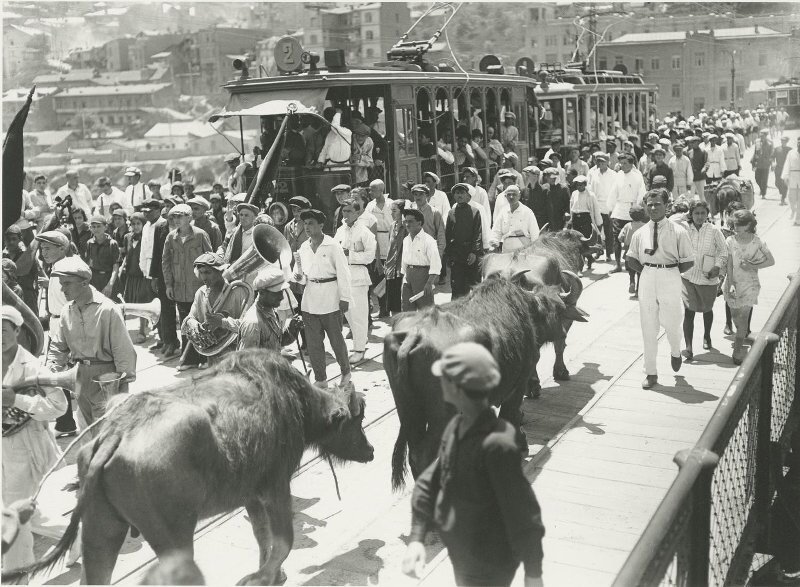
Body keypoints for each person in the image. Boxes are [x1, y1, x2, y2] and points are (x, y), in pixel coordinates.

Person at [402, 341, 545, 587]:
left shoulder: (497, 444)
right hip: (464, 556)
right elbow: (430, 482)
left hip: (490, 564)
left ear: (459, 388)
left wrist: (533, 573)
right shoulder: (456, 429)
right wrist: (417, 536)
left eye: (445, 378)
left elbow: (523, 510)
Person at [2, 305, 67, 570]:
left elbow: (58, 407)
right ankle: (73, 538)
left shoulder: (34, 366)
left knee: (16, 514)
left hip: (24, 448)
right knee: (23, 513)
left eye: (4, 331)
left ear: (17, 331)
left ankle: (17, 573)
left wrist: (16, 399)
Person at [47, 257, 137, 428]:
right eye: (61, 283)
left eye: (67, 283)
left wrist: (122, 387)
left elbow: (123, 350)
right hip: (79, 379)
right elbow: (58, 347)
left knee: (107, 433)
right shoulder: (66, 310)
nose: (62, 288)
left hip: (106, 378)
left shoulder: (108, 309)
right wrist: (50, 373)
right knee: (89, 433)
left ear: (84, 282)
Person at [625, 189, 695, 389]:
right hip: (647, 277)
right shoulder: (640, 233)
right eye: (650, 204)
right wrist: (648, 271)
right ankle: (651, 372)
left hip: (670, 276)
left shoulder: (678, 231)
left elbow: (688, 262)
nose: (653, 207)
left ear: (667, 206)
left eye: (657, 204)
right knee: (648, 326)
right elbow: (631, 259)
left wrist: (668, 271)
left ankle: (675, 350)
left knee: (672, 323)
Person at [293, 209, 352, 389]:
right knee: (313, 344)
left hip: (331, 298)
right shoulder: (303, 247)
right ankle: (321, 378)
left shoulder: (332, 246)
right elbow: (303, 276)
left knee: (336, 340)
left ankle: (345, 372)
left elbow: (344, 273)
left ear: (321, 225)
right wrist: (299, 277)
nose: (307, 227)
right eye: (305, 224)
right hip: (310, 300)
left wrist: (345, 298)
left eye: (311, 223)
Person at [162, 203, 212, 370]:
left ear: (190, 218)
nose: (176, 220)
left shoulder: (200, 235)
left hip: (199, 288)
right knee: (186, 323)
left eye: (180, 216)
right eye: (174, 216)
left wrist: (210, 283)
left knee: (202, 322)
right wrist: (168, 284)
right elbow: (166, 263)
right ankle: (189, 359)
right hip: (180, 289)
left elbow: (210, 260)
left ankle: (204, 358)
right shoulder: (171, 237)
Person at [723, 210, 775, 365]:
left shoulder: (757, 241)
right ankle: (741, 338)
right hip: (733, 284)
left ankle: (737, 350)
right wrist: (731, 283)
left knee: (743, 317)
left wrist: (753, 265)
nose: (736, 227)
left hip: (750, 284)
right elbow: (730, 264)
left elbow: (771, 261)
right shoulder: (730, 241)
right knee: (735, 318)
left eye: (740, 224)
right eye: (735, 224)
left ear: (749, 225)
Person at [181, 253, 248, 369]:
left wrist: (223, 322)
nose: (204, 277)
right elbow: (190, 317)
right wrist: (192, 323)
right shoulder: (200, 293)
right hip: (213, 358)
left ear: (220, 271)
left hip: (237, 357)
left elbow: (249, 328)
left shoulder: (239, 292)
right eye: (201, 273)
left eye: (207, 272)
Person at [680, 200, 727, 361]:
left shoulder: (714, 230)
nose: (699, 217)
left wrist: (717, 267)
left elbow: (723, 252)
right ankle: (688, 347)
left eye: (702, 213)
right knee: (688, 311)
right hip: (688, 277)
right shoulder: (685, 230)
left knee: (707, 309)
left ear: (707, 214)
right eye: (696, 213)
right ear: (691, 214)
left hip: (708, 278)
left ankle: (707, 336)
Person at [334, 199, 376, 365]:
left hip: (358, 275)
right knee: (347, 313)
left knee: (358, 314)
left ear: (358, 213)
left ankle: (359, 350)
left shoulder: (365, 232)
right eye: (344, 211)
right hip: (343, 276)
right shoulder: (340, 231)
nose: (346, 214)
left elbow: (369, 256)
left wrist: (349, 254)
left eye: (350, 211)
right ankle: (361, 339)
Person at [139, 199, 178, 358]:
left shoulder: (179, 225)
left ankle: (179, 342)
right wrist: (153, 274)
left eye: (150, 210)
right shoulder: (156, 227)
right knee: (164, 308)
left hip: (179, 271)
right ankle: (167, 340)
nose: (147, 213)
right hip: (161, 271)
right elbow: (155, 253)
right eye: (145, 211)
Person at [237, 266, 302, 353]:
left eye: (282, 292)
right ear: (262, 293)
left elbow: (277, 342)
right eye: (277, 293)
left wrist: (291, 331)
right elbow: (247, 363)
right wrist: (279, 360)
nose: (281, 297)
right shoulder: (253, 324)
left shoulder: (270, 310)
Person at [607, 154, 647, 273]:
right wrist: (610, 207)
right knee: (616, 238)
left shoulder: (637, 176)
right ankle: (618, 264)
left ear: (631, 163)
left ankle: (633, 264)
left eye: (625, 163)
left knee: (633, 239)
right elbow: (613, 191)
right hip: (619, 209)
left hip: (632, 210)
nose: (622, 166)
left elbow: (642, 193)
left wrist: (637, 208)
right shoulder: (618, 175)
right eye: (621, 163)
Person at [118, 212, 154, 344]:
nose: (136, 226)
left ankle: (141, 331)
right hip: (131, 275)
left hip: (142, 275)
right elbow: (126, 256)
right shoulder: (127, 237)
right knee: (128, 303)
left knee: (142, 302)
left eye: (138, 223)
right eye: (133, 224)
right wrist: (122, 269)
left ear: (143, 224)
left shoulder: (147, 237)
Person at [445, 183, 483, 298]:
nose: (459, 195)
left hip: (471, 255)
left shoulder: (475, 212)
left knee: (474, 287)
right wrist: (448, 255)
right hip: (457, 256)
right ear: (454, 196)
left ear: (468, 196)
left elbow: (478, 233)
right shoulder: (451, 213)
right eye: (457, 193)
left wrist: (474, 252)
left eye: (462, 193)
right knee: (457, 287)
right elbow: (448, 234)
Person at [400, 208, 441, 311]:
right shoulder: (406, 240)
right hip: (408, 277)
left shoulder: (428, 240)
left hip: (423, 277)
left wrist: (429, 283)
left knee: (426, 313)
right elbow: (404, 262)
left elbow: (436, 263)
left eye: (410, 221)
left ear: (419, 222)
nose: (407, 224)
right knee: (407, 312)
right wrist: (404, 279)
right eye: (405, 221)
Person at [490, 185, 539, 252]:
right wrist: (494, 243)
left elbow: (535, 234)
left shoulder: (527, 212)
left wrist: (534, 250)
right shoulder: (503, 212)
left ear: (519, 196)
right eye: (509, 194)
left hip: (523, 251)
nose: (511, 197)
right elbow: (496, 230)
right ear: (505, 197)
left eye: (514, 194)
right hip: (506, 251)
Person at [3, 225, 39, 314]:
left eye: (14, 239)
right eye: (8, 239)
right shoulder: (3, 257)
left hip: (27, 299)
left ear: (20, 239)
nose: (11, 242)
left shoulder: (28, 257)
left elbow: (37, 276)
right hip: (9, 299)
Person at [82, 215, 120, 297]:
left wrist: (110, 285)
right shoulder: (90, 243)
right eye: (93, 227)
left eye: (99, 226)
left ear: (105, 227)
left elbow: (116, 266)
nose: (96, 229)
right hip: (94, 280)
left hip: (108, 278)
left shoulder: (112, 244)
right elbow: (88, 264)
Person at [618, 204, 649, 296]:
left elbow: (620, 237)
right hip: (641, 252)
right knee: (640, 270)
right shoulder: (645, 226)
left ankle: (632, 282)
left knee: (631, 269)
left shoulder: (627, 226)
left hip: (629, 251)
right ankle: (638, 290)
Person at [384, 200, 407, 316]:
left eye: (394, 211)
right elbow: (390, 247)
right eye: (391, 211)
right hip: (391, 268)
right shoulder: (392, 226)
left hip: (401, 269)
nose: (392, 214)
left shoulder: (407, 227)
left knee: (402, 302)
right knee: (392, 302)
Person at [219, 202, 257, 267]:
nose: (243, 217)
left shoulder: (256, 236)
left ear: (254, 218)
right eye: (241, 215)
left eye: (246, 215)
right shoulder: (234, 231)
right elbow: (223, 246)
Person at [569, 175, 602, 242]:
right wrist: (571, 218)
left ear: (585, 185)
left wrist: (598, 222)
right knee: (576, 237)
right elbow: (571, 206)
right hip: (576, 218)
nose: (579, 187)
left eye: (581, 185)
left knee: (586, 236)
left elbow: (596, 209)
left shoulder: (590, 195)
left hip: (585, 218)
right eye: (577, 185)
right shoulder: (574, 194)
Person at [540, 167, 570, 232]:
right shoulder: (544, 188)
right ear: (546, 177)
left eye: (555, 177)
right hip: (547, 218)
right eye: (550, 177)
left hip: (559, 218)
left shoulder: (563, 189)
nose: (553, 179)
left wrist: (567, 213)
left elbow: (568, 205)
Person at [781, 136, 800, 225]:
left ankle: (797, 219)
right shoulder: (791, 152)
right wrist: (785, 176)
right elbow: (787, 164)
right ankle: (793, 210)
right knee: (791, 197)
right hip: (792, 177)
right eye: (798, 142)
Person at [751, 130, 774, 199]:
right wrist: (753, 163)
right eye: (760, 136)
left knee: (764, 179)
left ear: (766, 136)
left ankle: (763, 193)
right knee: (757, 178)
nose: (761, 137)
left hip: (766, 164)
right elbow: (755, 152)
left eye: (762, 136)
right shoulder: (757, 141)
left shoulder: (770, 143)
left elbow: (772, 154)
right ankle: (762, 188)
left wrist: (772, 163)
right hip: (758, 163)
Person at [350, 122, 374, 186]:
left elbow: (370, 160)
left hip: (362, 176)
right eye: (358, 135)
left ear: (367, 136)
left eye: (362, 136)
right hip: (350, 173)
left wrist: (361, 158)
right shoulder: (350, 139)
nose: (359, 138)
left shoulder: (369, 142)